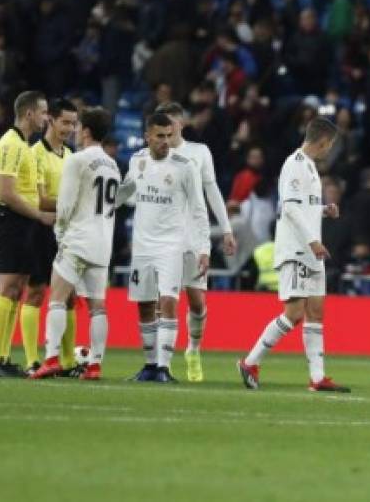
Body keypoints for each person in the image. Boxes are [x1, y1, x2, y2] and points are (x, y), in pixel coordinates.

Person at [238, 119, 350, 393]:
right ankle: (250, 362)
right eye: (330, 145)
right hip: (298, 249)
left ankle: (317, 378)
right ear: (323, 141)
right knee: (294, 313)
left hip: (311, 250)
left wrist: (324, 210)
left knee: (316, 312)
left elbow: (303, 207)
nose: (329, 150)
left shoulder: (310, 167)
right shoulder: (294, 165)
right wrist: (312, 241)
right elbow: (288, 208)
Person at [116, 112, 209, 383]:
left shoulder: (185, 166)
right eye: (160, 136)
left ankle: (164, 368)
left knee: (168, 302)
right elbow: (125, 191)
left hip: (172, 245)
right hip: (143, 245)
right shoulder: (137, 160)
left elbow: (198, 208)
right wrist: (102, 205)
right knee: (145, 306)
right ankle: (149, 365)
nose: (165, 141)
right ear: (147, 136)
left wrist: (204, 249)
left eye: (169, 136)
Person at [29, 108, 120, 381]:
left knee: (56, 298)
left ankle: (51, 359)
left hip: (78, 239)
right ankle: (94, 365)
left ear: (87, 131)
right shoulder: (113, 165)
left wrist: (60, 233)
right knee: (98, 307)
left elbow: (65, 205)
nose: (76, 131)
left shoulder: (77, 160)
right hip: (103, 242)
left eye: (79, 127)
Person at [156, 102, 237, 382]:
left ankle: (193, 349)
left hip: (193, 236)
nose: (167, 129)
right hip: (163, 235)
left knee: (196, 301)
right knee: (163, 299)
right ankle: (159, 362)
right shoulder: (156, 154)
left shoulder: (199, 152)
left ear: (181, 123)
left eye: (171, 123)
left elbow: (211, 190)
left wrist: (225, 228)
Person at [0, 91, 53, 378]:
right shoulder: (11, 145)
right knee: (8, 287)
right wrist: (39, 215)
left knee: (17, 289)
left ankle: (3, 357)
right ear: (29, 114)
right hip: (13, 220)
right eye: (43, 112)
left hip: (23, 222)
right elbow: (5, 193)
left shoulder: (23, 145)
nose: (45, 117)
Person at [22, 99, 78, 376]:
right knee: (35, 292)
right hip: (40, 229)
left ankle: (67, 361)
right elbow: (40, 199)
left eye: (73, 123)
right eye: (65, 122)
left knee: (69, 296)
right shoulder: (35, 154)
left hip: (66, 232)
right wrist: (73, 203)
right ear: (51, 120)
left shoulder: (70, 155)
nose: (69, 128)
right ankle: (33, 359)